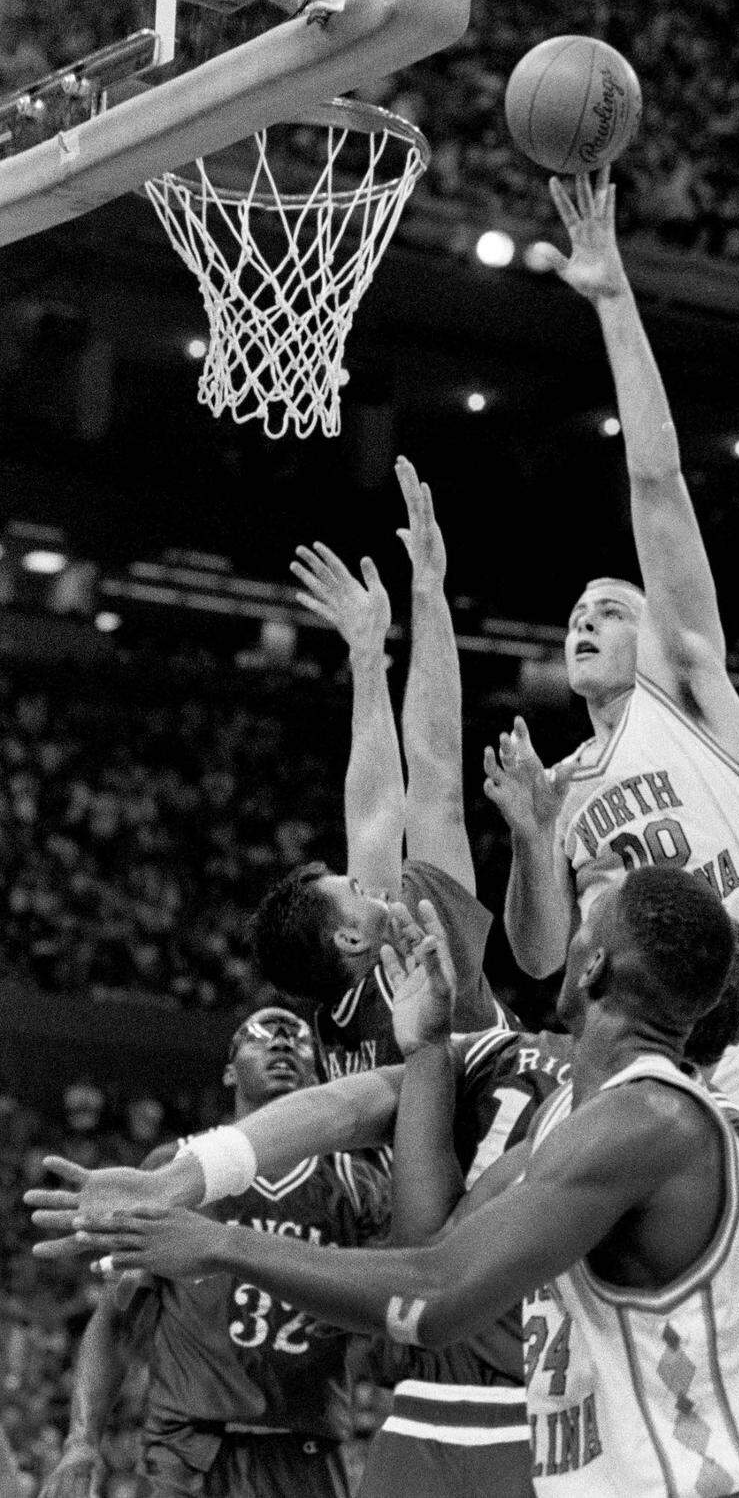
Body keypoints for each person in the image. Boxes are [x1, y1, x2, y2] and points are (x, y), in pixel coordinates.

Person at [43, 869, 739, 1498]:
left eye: (584, 922)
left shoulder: (656, 1123)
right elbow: (403, 1196)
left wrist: (217, 1241)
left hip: (695, 1474)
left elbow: (433, 1291)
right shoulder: (568, 1111)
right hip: (557, 1449)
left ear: (594, 962)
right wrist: (186, 1176)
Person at [483, 168, 739, 1227]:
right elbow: (540, 962)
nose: (585, 618)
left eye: (610, 608)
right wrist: (536, 841)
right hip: (639, 1055)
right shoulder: (565, 783)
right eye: (577, 613)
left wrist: (614, 297)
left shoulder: (688, 691)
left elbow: (657, 484)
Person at [37, 1008, 388, 1498]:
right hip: (188, 1451)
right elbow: (116, 1321)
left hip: (304, 1449)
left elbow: (395, 1308)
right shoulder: (176, 1169)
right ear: (228, 1071)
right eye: (261, 1035)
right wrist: (81, 1440)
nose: (282, 1043)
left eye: (299, 1040)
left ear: (320, 1075)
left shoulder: (358, 1183)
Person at [256, 454, 508, 1080]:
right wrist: (428, 588)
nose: (374, 879)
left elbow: (372, 814)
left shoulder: (336, 1011)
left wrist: (369, 657)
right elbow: (436, 777)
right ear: (351, 940)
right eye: (361, 889)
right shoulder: (425, 958)